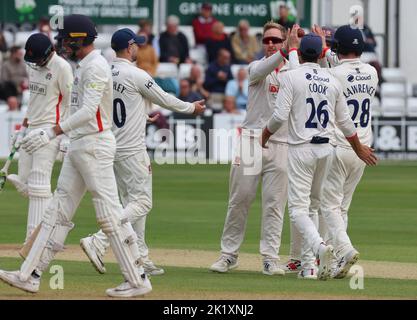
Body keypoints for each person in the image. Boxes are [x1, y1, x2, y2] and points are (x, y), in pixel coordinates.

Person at [0, 14, 152, 298]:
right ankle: (29, 274)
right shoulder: (84, 65)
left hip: (95, 146)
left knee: (109, 215)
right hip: (81, 145)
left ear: (79, 39)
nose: (63, 44)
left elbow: (88, 112)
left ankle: (137, 279)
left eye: (67, 39)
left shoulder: (95, 67)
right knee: (56, 210)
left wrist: (52, 132)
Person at [79, 28, 206, 277]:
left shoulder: (105, 72)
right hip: (132, 150)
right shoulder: (136, 74)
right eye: (136, 44)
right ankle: (98, 241)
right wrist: (191, 108)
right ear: (129, 47)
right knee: (143, 202)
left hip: (111, 148)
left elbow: (107, 108)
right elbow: (164, 98)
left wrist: (141, 118)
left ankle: (140, 257)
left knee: (132, 204)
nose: (139, 48)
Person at [261, 33, 377, 280]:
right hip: (327, 149)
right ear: (322, 52)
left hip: (302, 148)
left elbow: (281, 115)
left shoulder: (292, 76)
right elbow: (345, 121)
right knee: (316, 206)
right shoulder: (332, 79)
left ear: (301, 53)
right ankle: (309, 267)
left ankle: (320, 248)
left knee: (298, 210)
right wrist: (359, 147)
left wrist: (265, 133)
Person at [209, 22, 299, 276]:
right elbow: (261, 68)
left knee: (274, 205)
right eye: (266, 40)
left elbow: (298, 75)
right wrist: (285, 51)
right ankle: (228, 255)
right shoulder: (256, 67)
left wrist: (293, 52)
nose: (269, 44)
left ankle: (270, 258)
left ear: (284, 42)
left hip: (282, 143)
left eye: (275, 40)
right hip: (251, 140)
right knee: (240, 200)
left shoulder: (292, 71)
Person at [318, 25, 379, 279]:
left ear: (337, 47)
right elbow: (344, 67)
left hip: (341, 145)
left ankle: (344, 249)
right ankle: (336, 263)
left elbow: (326, 74)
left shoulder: (333, 75)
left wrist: (322, 46)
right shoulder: (373, 72)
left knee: (327, 205)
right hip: (364, 148)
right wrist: (328, 47)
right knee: (341, 207)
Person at [6, 33, 73, 248]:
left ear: (49, 53)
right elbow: (34, 101)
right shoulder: (34, 66)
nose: (35, 64)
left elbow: (72, 104)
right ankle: (57, 224)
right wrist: (22, 127)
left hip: (50, 131)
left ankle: (33, 242)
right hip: (32, 128)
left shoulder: (62, 68)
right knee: (27, 185)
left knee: (38, 185)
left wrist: (64, 135)